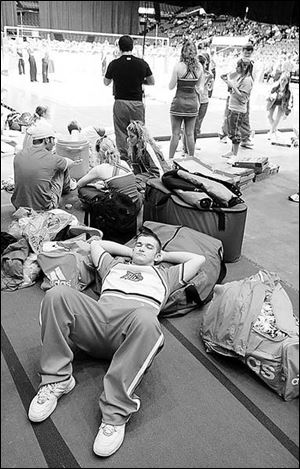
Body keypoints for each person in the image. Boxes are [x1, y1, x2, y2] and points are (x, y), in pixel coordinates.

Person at [27, 228, 206, 457]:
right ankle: (57, 380)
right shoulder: (113, 266)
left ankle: (114, 414)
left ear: (158, 256)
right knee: (58, 294)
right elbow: (96, 245)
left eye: (149, 247)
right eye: (139, 244)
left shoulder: (165, 275)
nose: (142, 248)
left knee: (146, 318)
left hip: (129, 334)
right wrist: (133, 251)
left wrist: (162, 256)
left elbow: (197, 259)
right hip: (96, 324)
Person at [104, 35, 155, 160]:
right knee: (138, 133)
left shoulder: (114, 64)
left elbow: (106, 82)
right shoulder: (142, 63)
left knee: (121, 133)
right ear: (132, 47)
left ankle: (124, 161)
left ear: (119, 47)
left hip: (120, 102)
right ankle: (139, 160)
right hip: (136, 103)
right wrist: (138, 81)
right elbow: (152, 81)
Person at [11, 120, 81, 211]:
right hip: (44, 208)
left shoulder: (19, 155)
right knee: (62, 168)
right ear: (47, 140)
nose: (54, 142)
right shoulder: (53, 159)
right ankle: (70, 187)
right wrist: (73, 162)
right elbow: (68, 163)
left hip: (19, 206)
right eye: (53, 139)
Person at [77, 143, 142, 213]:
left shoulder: (100, 169)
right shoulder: (124, 163)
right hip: (136, 206)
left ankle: (94, 210)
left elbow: (79, 184)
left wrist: (93, 185)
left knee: (83, 190)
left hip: (121, 211)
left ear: (99, 154)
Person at [168, 39, 204, 159]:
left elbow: (171, 86)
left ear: (183, 52)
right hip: (192, 103)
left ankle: (170, 160)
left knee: (175, 134)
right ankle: (191, 159)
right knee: (189, 134)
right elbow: (200, 88)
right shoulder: (199, 67)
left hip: (178, 103)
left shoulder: (178, 66)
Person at [219, 43, 255, 148]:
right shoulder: (239, 62)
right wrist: (230, 82)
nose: (247, 54)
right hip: (234, 91)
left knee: (244, 116)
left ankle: (245, 138)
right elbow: (233, 74)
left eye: (249, 52)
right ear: (242, 51)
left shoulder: (251, 64)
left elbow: (251, 78)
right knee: (229, 114)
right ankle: (224, 134)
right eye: (246, 51)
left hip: (244, 91)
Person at [221, 59, 254, 163]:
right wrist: (227, 82)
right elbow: (234, 90)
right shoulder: (240, 77)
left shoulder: (247, 80)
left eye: (238, 66)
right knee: (231, 130)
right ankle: (232, 151)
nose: (236, 68)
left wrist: (233, 86)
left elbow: (243, 98)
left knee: (235, 132)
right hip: (233, 107)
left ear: (244, 67)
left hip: (238, 110)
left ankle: (235, 155)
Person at [126, 120, 170, 192]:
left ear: (139, 136)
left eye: (132, 137)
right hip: (146, 175)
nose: (129, 139)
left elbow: (159, 171)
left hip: (158, 176)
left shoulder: (148, 148)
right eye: (128, 136)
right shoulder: (134, 146)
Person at [183, 52, 213, 153]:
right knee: (192, 126)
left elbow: (208, 89)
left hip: (203, 100)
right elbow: (198, 88)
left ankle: (189, 146)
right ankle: (188, 148)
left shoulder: (206, 74)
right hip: (196, 101)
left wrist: (209, 79)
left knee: (195, 126)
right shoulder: (195, 74)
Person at [266, 72, 293, 143]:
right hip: (273, 102)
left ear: (287, 82)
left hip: (282, 104)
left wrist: (286, 113)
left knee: (278, 119)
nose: (282, 82)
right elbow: (269, 93)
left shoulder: (288, 92)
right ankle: (275, 130)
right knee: (269, 116)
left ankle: (271, 132)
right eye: (282, 79)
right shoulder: (275, 86)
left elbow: (290, 103)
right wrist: (270, 97)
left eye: (285, 80)